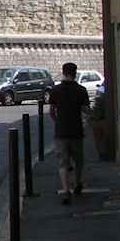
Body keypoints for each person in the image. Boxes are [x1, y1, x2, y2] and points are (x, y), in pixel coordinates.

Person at [48, 62, 92, 204]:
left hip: (61, 131)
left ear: (64, 73)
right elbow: (87, 110)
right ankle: (77, 183)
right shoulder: (81, 90)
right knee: (78, 159)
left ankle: (66, 190)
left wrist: (57, 121)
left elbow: (51, 111)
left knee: (63, 162)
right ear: (75, 73)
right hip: (76, 130)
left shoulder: (56, 90)